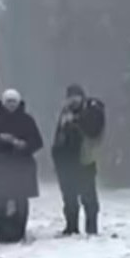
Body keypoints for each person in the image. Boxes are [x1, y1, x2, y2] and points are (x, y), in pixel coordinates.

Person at [0, 88, 44, 243]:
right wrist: (0, 140)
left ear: (19, 102)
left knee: (21, 201)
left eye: (14, 102)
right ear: (3, 102)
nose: (11, 105)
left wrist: (23, 145)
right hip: (0, 167)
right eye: (8, 102)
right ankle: (1, 231)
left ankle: (19, 230)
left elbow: (38, 142)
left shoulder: (27, 120)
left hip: (22, 166)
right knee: (0, 200)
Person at [51, 83, 106, 236]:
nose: (73, 100)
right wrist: (56, 157)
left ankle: (91, 228)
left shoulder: (92, 109)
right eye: (70, 97)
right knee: (69, 197)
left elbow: (94, 129)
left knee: (88, 196)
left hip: (84, 160)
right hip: (65, 161)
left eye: (76, 96)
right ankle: (71, 227)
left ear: (82, 97)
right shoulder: (65, 112)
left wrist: (76, 121)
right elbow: (59, 136)